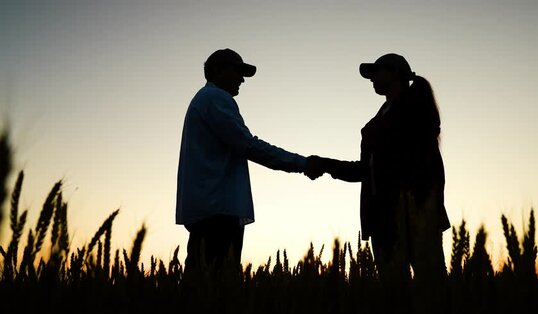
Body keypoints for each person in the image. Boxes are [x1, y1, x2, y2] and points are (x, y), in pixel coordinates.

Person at [176, 48, 323, 275]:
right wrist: (302, 163)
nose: (242, 79)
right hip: (218, 211)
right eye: (237, 71)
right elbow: (248, 145)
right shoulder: (215, 98)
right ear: (217, 71)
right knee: (216, 288)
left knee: (203, 285)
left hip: (210, 208)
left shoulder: (205, 99)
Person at [317, 53, 451, 283]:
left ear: (394, 74)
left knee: (432, 291)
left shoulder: (415, 111)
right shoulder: (377, 123)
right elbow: (366, 171)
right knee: (393, 295)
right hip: (383, 220)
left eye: (376, 72)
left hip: (414, 216)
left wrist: (426, 211)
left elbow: (428, 168)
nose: (371, 79)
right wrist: (325, 164)